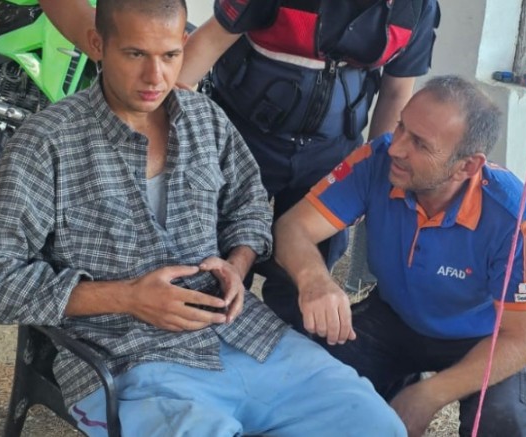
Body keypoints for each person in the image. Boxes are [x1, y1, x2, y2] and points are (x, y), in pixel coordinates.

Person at [0, 1, 405, 436]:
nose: (155, 77)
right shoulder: (46, 144)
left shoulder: (204, 119)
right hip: (129, 359)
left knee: (375, 423)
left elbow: (249, 206)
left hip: (245, 336)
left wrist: (237, 265)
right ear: (98, 44)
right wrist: (127, 298)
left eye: (170, 55)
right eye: (135, 54)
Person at [274, 75, 526, 436]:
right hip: (394, 318)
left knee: (504, 419)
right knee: (312, 388)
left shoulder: (515, 217)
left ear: (467, 166)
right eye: (402, 126)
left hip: (481, 339)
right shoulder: (376, 160)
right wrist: (314, 280)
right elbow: (292, 228)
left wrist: (428, 396)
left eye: (420, 143)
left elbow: (521, 339)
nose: (397, 148)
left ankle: (410, 388)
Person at [175, 0, 440, 325]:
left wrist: (374, 178)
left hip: (331, 152)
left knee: (305, 276)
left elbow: (396, 92)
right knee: (216, 260)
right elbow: (204, 49)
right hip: (241, 139)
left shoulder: (416, 8)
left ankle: (288, 344)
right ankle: (209, 331)